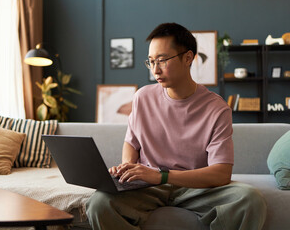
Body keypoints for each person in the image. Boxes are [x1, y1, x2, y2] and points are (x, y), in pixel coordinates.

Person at [85, 23, 267, 230]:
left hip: (194, 187)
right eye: (151, 62)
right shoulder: (142, 97)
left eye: (162, 60)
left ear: (188, 58)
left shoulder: (217, 108)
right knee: (99, 203)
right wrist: (129, 169)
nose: (155, 69)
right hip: (147, 186)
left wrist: (162, 175)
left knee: (250, 199)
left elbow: (221, 174)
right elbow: (131, 143)